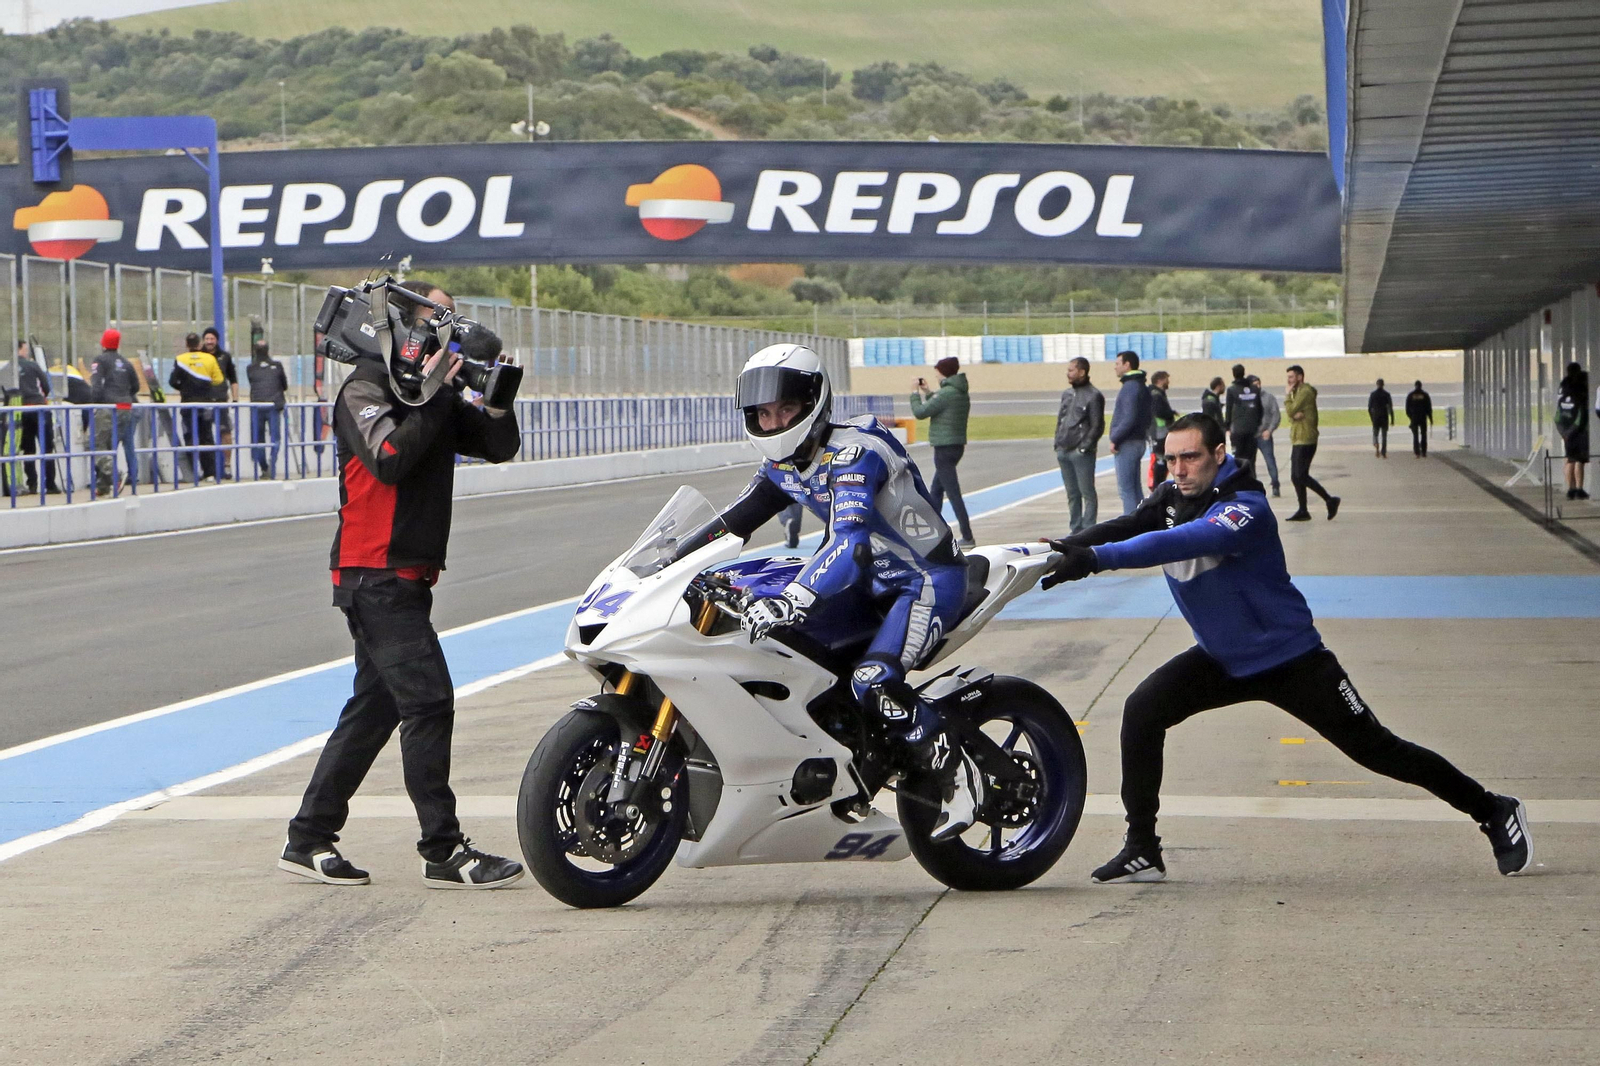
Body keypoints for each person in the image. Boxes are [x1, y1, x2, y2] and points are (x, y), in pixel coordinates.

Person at [1038, 413, 1532, 883]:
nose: (1179, 470)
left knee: (1379, 751)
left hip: (1290, 660)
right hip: (1221, 658)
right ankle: (1142, 847)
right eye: (1171, 460)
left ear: (1218, 452)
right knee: (1142, 711)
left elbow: (1177, 542)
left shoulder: (1244, 509)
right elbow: (1130, 524)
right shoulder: (1172, 494)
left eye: (1190, 458)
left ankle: (1492, 809)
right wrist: (1063, 548)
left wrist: (1096, 560)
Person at [282, 286, 524, 889]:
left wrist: (496, 402)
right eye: (431, 319)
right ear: (397, 327)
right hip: (374, 575)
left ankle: (307, 837)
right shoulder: (366, 387)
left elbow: (500, 447)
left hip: (405, 576)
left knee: (375, 709)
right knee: (428, 700)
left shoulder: (425, 394)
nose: (444, 330)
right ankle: (444, 850)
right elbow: (390, 456)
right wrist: (438, 393)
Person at [709, 343, 982, 841]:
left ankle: (956, 777)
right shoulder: (785, 465)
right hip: (867, 584)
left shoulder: (857, 452)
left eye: (785, 410)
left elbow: (849, 541)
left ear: (813, 404)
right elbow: (732, 523)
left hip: (922, 580)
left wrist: (792, 597)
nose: (773, 423)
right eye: (763, 413)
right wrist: (661, 566)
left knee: (872, 680)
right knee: (795, 654)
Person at [910, 356, 975, 548]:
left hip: (944, 448)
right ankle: (933, 534)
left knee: (953, 494)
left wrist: (914, 393)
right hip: (955, 446)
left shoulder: (947, 393)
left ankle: (968, 536)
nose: (935, 373)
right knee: (936, 491)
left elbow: (920, 412)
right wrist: (929, 392)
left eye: (937, 370)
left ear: (944, 372)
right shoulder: (958, 391)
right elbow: (941, 407)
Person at [1053, 357, 1105, 535]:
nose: (1068, 373)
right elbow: (1061, 420)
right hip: (1064, 450)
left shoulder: (1094, 395)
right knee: (1072, 494)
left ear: (1082, 372)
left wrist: (1084, 447)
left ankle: (1089, 529)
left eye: (1071, 370)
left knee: (1087, 492)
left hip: (1081, 453)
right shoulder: (1067, 394)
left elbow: (1097, 425)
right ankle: (1075, 529)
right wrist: (1057, 443)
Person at [88, 328, 142, 495]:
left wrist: (95, 403)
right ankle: (103, 487)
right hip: (126, 409)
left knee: (96, 445)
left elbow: (96, 386)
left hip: (108, 408)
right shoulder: (126, 363)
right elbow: (136, 387)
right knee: (110, 447)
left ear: (103, 342)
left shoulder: (100, 360)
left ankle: (116, 476)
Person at [1284, 364, 1339, 522]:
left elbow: (1290, 410)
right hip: (1298, 438)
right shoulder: (1298, 392)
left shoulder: (1305, 392)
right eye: (1288, 377)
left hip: (1306, 438)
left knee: (1301, 475)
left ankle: (1330, 500)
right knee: (1295, 476)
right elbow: (1291, 415)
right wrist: (1294, 414)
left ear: (1300, 377)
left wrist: (1287, 397)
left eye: (1291, 377)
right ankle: (1303, 509)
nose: (1288, 381)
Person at [169, 333, 224, 482]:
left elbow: (172, 381)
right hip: (205, 403)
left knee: (190, 437)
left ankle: (192, 473)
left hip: (188, 403)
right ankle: (210, 473)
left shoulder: (181, 359)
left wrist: (184, 388)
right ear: (200, 344)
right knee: (206, 436)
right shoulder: (209, 359)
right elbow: (218, 380)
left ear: (187, 345)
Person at [1109, 350, 1152, 515]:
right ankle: (1142, 521)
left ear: (1127, 365)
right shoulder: (1141, 385)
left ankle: (1130, 527)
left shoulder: (1130, 387)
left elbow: (1128, 417)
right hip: (1139, 440)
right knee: (1135, 489)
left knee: (1126, 490)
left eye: (1118, 364)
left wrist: (1115, 438)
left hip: (1128, 442)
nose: (1115, 367)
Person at [14, 340, 59, 495]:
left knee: (28, 450)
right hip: (39, 408)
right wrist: (42, 398)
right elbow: (46, 386)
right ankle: (50, 484)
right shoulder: (33, 365)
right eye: (25, 349)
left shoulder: (9, 368)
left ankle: (32, 485)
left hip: (21, 409)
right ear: (21, 349)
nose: (27, 352)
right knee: (47, 447)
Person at [246, 338, 290, 479]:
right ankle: (271, 465)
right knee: (275, 438)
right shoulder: (276, 366)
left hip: (258, 406)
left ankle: (265, 467)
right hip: (273, 405)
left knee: (258, 439)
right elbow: (284, 385)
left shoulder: (251, 368)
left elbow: (252, 381)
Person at [201, 327, 238, 479]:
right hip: (204, 401)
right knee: (205, 436)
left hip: (221, 401)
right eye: (207, 339)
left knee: (226, 433)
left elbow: (233, 379)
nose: (209, 342)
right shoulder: (199, 355)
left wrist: (235, 399)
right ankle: (208, 469)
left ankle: (227, 466)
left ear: (216, 340)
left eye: (212, 339)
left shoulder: (225, 356)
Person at [1555, 362, 1589, 500]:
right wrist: (1575, 430)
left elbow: (1558, 415)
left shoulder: (1563, 387)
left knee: (1569, 460)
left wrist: (1564, 433)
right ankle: (1579, 489)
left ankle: (1571, 489)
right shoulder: (1579, 389)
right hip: (1578, 429)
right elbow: (1581, 414)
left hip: (1565, 427)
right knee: (1579, 460)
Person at [1223, 363, 1263, 468]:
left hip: (1238, 430)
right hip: (1252, 430)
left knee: (1239, 459)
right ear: (1244, 372)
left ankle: (1241, 482)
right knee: (1251, 460)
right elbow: (1260, 409)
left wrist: (1227, 426)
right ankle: (1251, 480)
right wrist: (1258, 425)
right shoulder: (1255, 389)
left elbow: (1229, 409)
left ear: (1233, 374)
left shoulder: (1232, 390)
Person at [1252, 375, 1282, 498]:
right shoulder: (1246, 399)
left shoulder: (1268, 398)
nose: (1257, 386)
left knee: (1270, 461)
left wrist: (1269, 430)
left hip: (1264, 435)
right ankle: (1252, 488)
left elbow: (1276, 415)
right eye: (1254, 384)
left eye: (1258, 383)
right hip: (1251, 436)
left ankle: (1275, 484)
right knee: (1249, 463)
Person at [1147, 370, 1175, 487]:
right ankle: (1156, 487)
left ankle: (1159, 486)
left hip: (1161, 433)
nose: (1168, 382)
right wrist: (1169, 414)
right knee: (1160, 462)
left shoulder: (1159, 393)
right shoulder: (1155, 394)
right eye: (1166, 379)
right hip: (1158, 433)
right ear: (1160, 380)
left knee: (1163, 461)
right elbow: (1158, 412)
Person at [1368, 378, 1395, 459]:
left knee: (1375, 434)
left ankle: (1376, 444)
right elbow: (1390, 408)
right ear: (1383, 385)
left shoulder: (1373, 394)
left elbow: (1369, 408)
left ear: (1377, 384)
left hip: (1376, 417)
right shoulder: (1387, 394)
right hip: (1384, 417)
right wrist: (1392, 419)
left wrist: (1372, 418)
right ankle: (1383, 452)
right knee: (1384, 436)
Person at [1406, 380, 1433, 458]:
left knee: (1415, 435)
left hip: (1414, 417)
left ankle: (1417, 452)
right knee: (1423, 434)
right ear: (1421, 386)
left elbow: (1407, 408)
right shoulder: (1425, 395)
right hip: (1423, 417)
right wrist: (1430, 418)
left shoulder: (1411, 395)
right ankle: (1424, 451)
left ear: (1415, 386)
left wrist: (1411, 417)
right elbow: (1429, 408)